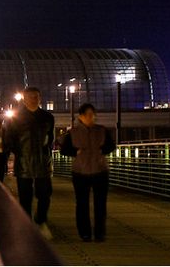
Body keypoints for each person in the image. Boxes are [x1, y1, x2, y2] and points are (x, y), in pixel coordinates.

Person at [4, 86, 56, 239]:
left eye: (37, 96)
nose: (34, 99)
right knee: (25, 196)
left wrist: (46, 151)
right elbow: (9, 139)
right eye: (31, 96)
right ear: (24, 99)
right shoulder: (16, 118)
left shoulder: (48, 117)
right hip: (24, 161)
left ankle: (41, 221)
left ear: (40, 98)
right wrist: (18, 152)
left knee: (45, 194)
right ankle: (27, 224)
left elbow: (50, 138)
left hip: (43, 161)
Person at [61, 103, 115, 242]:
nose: (92, 117)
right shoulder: (73, 132)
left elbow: (111, 146)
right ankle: (84, 233)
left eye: (93, 114)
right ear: (81, 116)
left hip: (100, 170)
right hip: (80, 171)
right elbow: (64, 150)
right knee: (82, 203)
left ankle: (99, 233)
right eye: (88, 114)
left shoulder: (101, 130)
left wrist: (102, 151)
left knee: (100, 203)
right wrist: (76, 152)